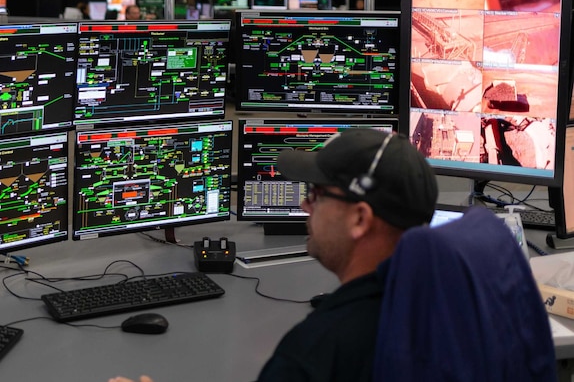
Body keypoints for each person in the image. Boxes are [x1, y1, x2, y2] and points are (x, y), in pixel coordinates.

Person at [108, 128, 439, 382]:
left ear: (360, 219)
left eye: (317, 194)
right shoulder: (441, 306)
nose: (304, 204)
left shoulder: (317, 352)